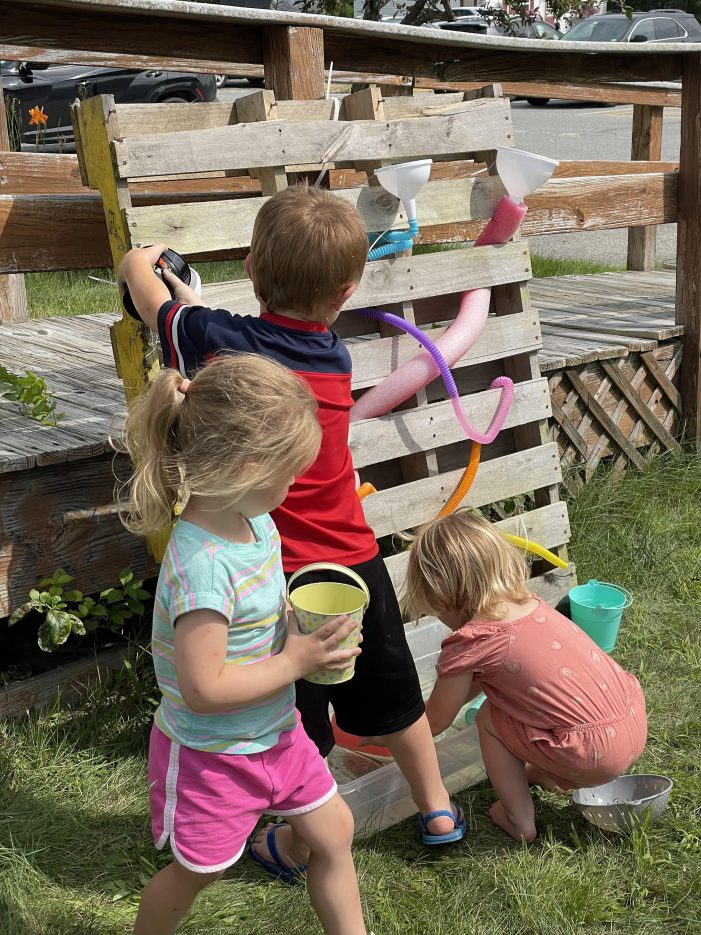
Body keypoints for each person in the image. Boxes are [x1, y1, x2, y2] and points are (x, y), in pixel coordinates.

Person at [117, 184, 464, 875]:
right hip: (353, 557)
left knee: (290, 711)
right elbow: (247, 330)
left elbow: (149, 290)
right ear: (343, 293)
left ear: (251, 267)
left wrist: (147, 265)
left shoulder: (211, 339)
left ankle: (283, 830)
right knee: (391, 693)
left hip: (274, 571)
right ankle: (436, 807)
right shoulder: (333, 356)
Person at [118, 354, 368, 935]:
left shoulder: (256, 525)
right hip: (214, 756)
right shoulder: (201, 566)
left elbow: (253, 617)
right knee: (195, 874)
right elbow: (203, 689)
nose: (293, 486)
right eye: (288, 474)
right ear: (244, 467)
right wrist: (295, 660)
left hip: (276, 733)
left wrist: (296, 626)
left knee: (335, 832)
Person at [402, 511, 648, 843]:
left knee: (490, 717)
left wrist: (391, 735)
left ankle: (518, 819)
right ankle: (547, 773)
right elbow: (501, 681)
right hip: (632, 722)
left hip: (592, 754)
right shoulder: (532, 605)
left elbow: (434, 722)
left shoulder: (472, 641)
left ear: (444, 595)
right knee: (531, 703)